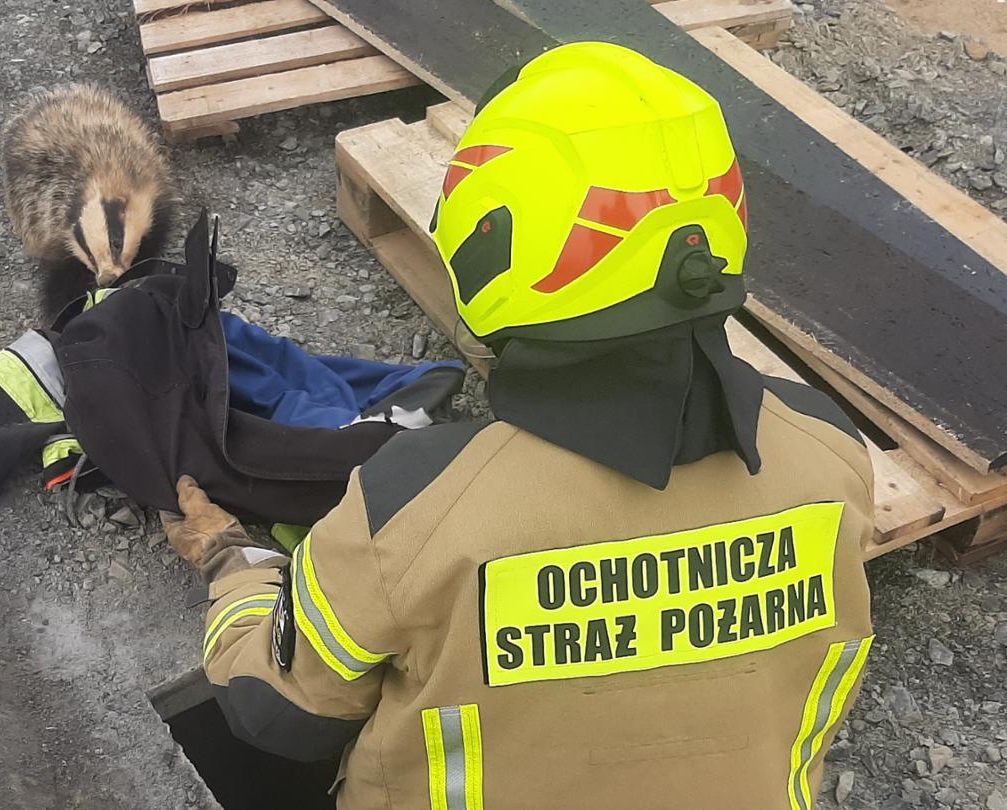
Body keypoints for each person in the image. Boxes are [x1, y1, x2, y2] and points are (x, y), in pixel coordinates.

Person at [163, 41, 875, 809]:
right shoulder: (829, 454)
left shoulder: (417, 507)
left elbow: (276, 715)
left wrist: (236, 569)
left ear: (488, 245)